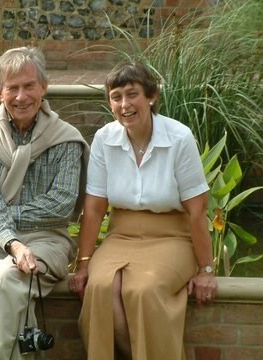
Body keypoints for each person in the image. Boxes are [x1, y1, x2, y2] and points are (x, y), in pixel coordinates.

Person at [68, 61, 218, 360]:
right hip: (121, 235)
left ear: (151, 96)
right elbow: (95, 210)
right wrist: (83, 264)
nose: (124, 104)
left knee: (143, 290)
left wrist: (206, 270)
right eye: (116, 96)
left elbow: (197, 211)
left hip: (174, 237)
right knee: (100, 287)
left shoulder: (179, 138)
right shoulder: (104, 139)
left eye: (132, 94)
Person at [0, 46, 89, 360]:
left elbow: (60, 205)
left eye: (29, 86)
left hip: (48, 241)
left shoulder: (66, 139)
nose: (21, 96)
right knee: (9, 289)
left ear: (43, 87)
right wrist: (14, 244)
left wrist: (2, 214)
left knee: (6, 280)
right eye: (12, 88)